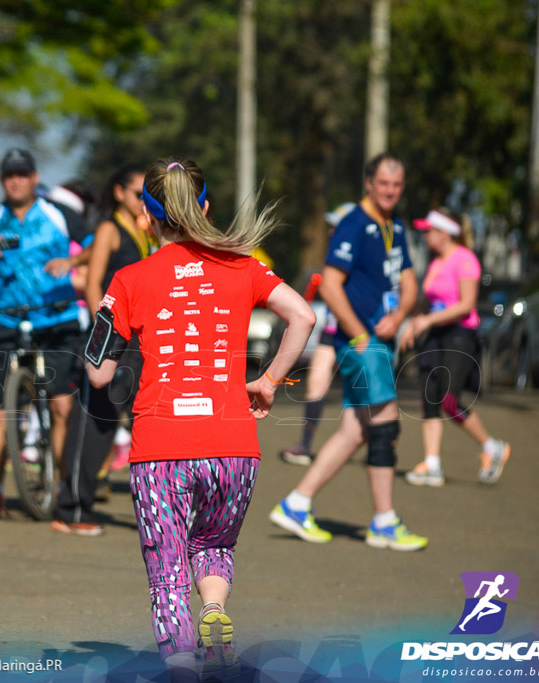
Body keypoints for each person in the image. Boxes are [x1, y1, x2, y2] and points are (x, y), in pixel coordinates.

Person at [87, 158, 315, 680]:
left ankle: (183, 667)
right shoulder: (244, 264)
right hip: (233, 444)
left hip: (160, 448)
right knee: (213, 544)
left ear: (146, 218)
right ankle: (213, 609)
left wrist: (110, 324)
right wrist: (269, 382)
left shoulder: (128, 279)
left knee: (167, 575)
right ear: (205, 206)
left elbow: (97, 373)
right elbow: (304, 316)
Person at [270, 153, 429, 551]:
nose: (390, 190)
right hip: (361, 345)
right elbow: (329, 285)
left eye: (397, 185)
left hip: (381, 340)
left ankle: (297, 503)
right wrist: (360, 334)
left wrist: (401, 315)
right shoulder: (354, 224)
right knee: (386, 424)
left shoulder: (394, 226)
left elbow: (409, 282)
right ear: (368, 183)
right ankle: (384, 522)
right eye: (383, 183)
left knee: (356, 430)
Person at [0, 148, 92, 518]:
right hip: (7, 321)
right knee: (4, 411)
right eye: (9, 174)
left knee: (62, 408)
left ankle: (63, 488)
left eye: (22, 173)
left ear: (34, 178)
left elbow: (99, 242)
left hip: (55, 321)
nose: (16, 180)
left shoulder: (59, 215)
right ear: (3, 181)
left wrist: (72, 261)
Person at [52, 165, 151, 536]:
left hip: (136, 343)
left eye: (148, 195)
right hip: (112, 341)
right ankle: (71, 510)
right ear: (119, 193)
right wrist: (106, 337)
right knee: (92, 424)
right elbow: (94, 286)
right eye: (139, 194)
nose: (145, 201)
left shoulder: (139, 232)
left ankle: (84, 502)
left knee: (111, 424)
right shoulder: (111, 229)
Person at [400, 209, 511, 485]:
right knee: (429, 397)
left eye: (428, 231)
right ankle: (432, 464)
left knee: (449, 400)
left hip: (460, 335)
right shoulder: (436, 262)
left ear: (445, 232)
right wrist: (413, 324)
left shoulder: (465, 260)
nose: (425, 236)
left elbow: (466, 304)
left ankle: (491, 446)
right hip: (436, 334)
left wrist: (427, 320)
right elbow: (428, 304)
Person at [279, 202, 358, 466]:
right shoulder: (334, 252)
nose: (330, 231)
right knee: (316, 382)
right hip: (334, 328)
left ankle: (378, 444)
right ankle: (305, 445)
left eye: (336, 226)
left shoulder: (362, 252)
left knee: (366, 393)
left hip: (360, 332)